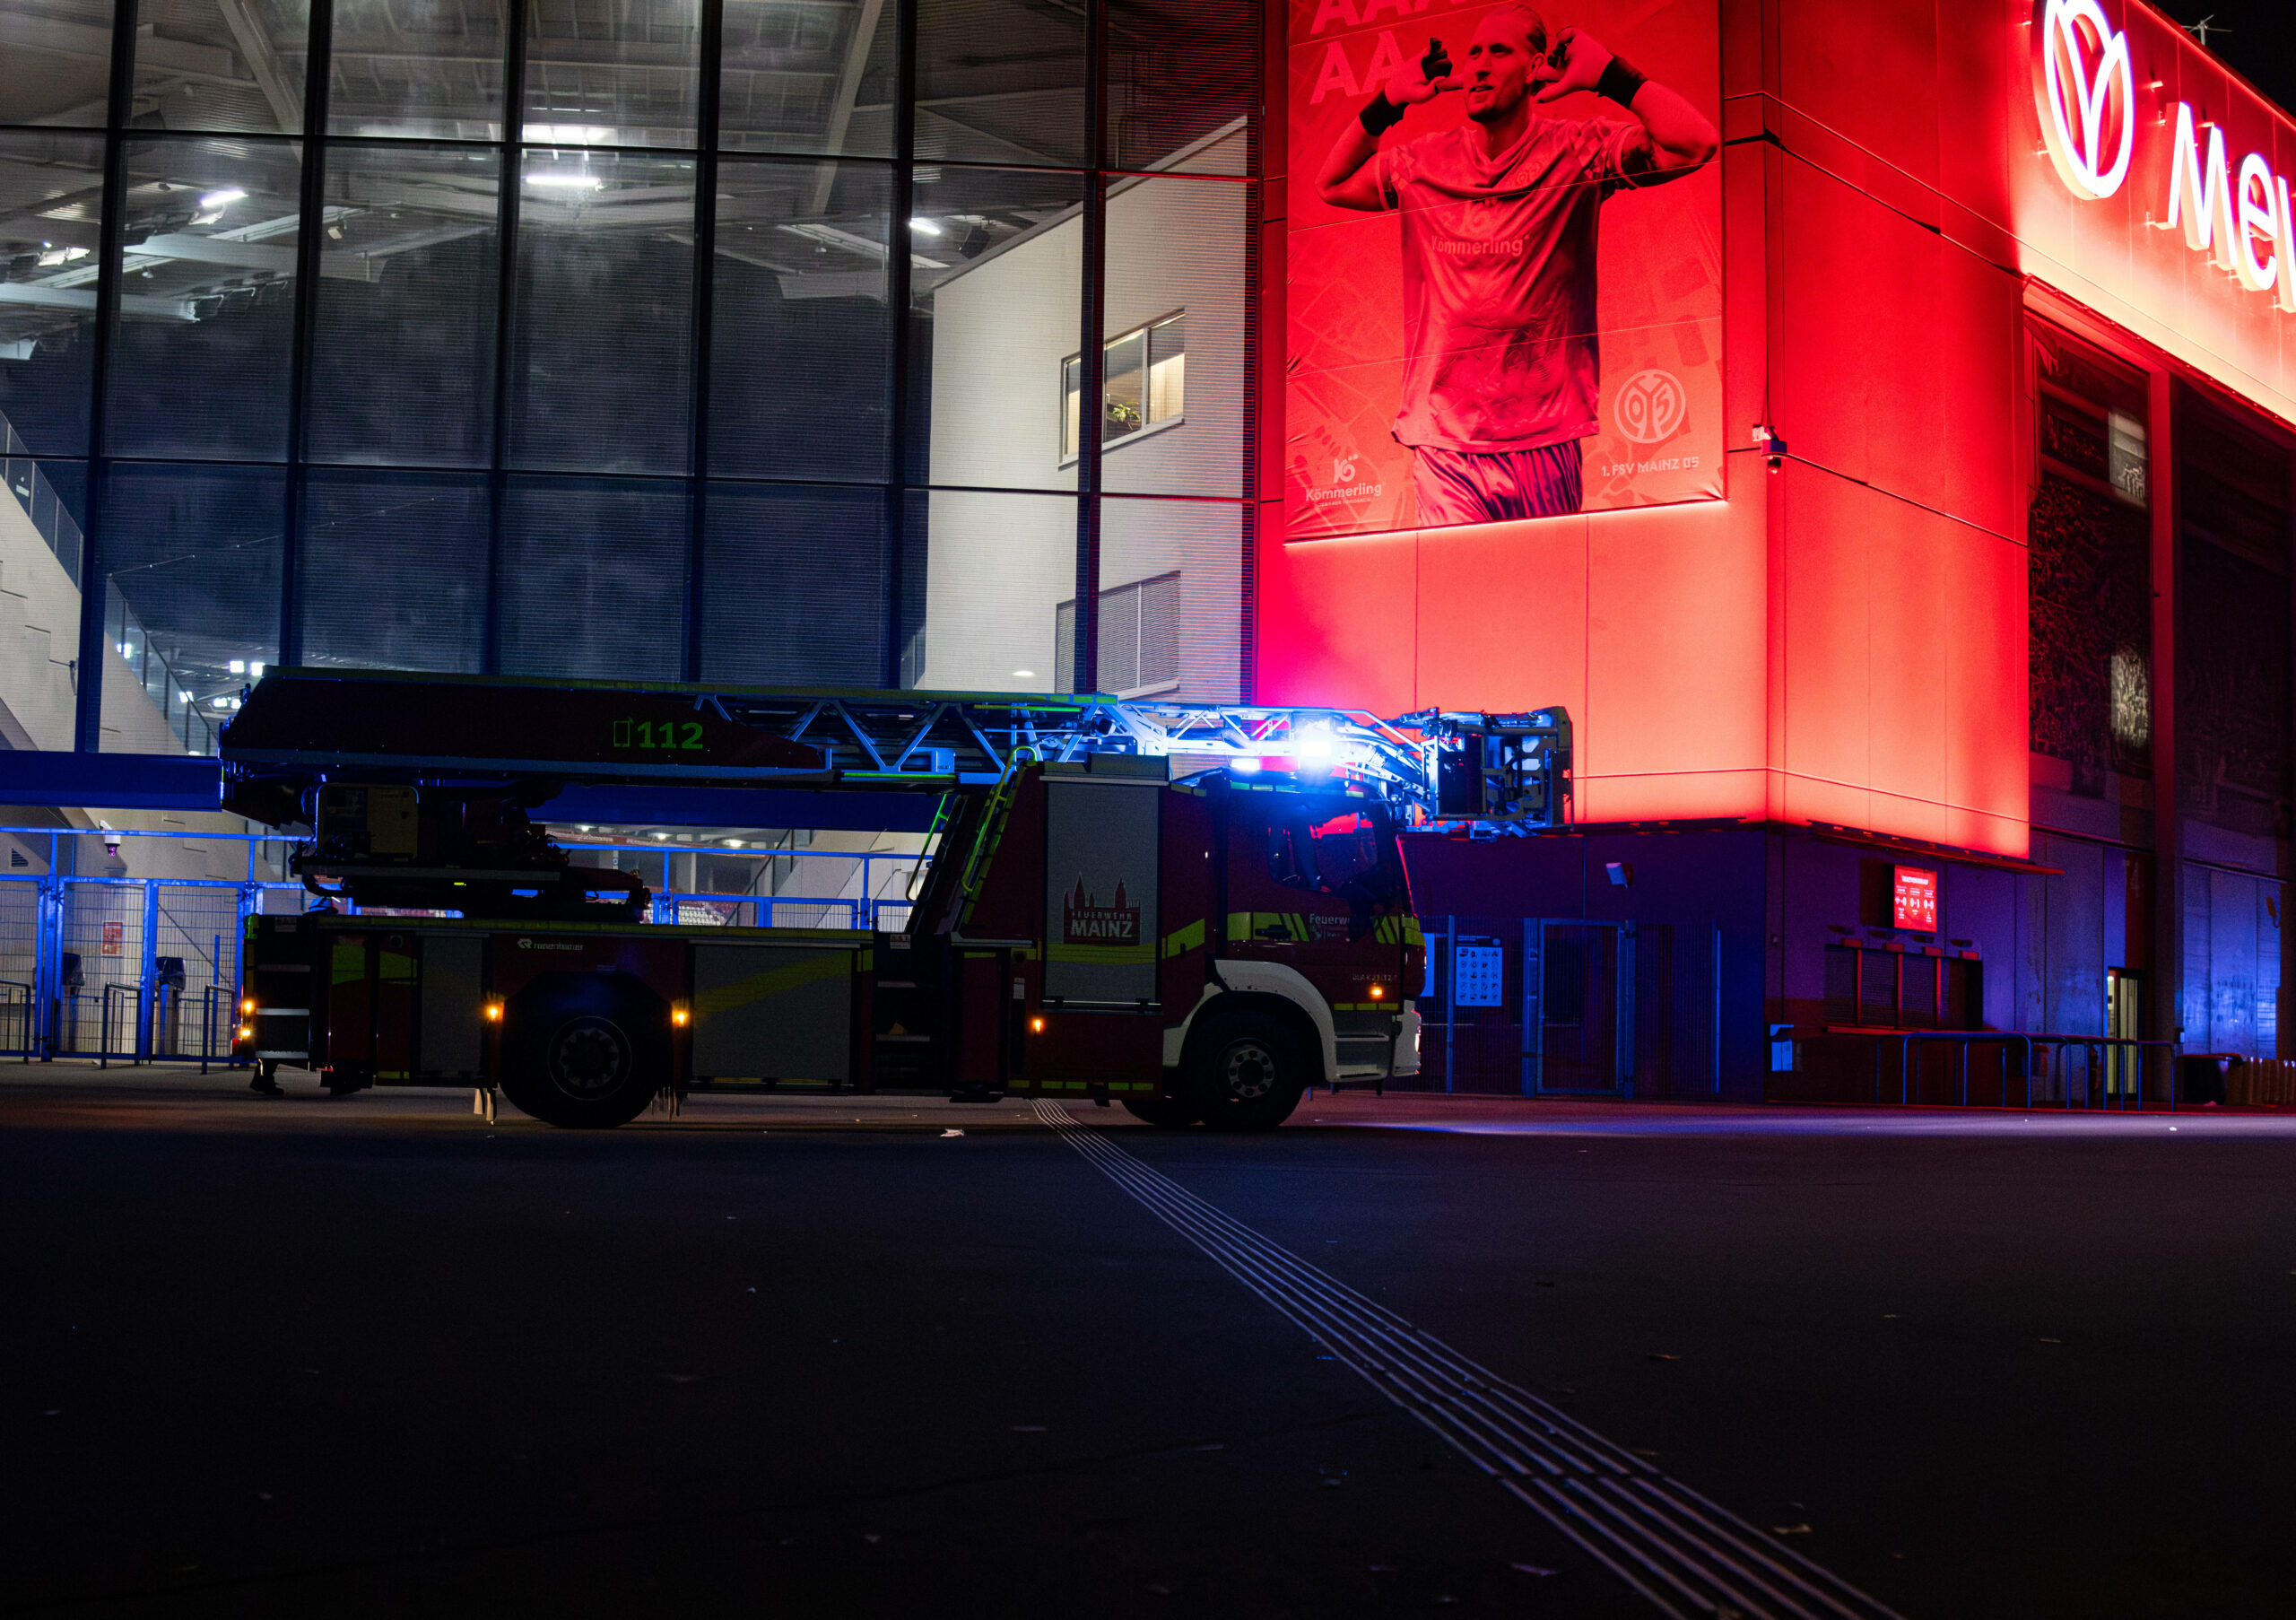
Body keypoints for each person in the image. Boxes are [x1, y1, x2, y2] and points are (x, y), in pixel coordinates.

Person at [1316, 5, 1718, 525]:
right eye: (1474, 53)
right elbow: (1331, 184)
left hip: (1545, 440)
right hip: (1447, 444)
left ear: (1534, 68)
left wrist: (1608, 75)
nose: (1479, 65)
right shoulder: (1422, 163)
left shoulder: (1578, 153)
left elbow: (1696, 142)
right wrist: (1387, 103)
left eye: (1499, 52)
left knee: (1540, 598)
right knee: (1456, 599)